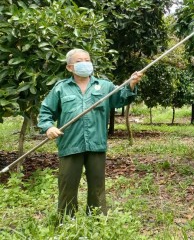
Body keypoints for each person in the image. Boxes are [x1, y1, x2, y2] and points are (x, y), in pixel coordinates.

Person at [37, 48, 143, 217]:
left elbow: (120, 98)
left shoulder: (105, 86)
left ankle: (97, 218)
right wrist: (48, 127)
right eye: (79, 61)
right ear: (70, 67)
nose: (85, 63)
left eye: (87, 60)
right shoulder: (61, 88)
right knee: (67, 184)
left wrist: (131, 84)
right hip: (70, 143)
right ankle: (66, 220)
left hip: (96, 144)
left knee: (97, 185)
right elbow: (45, 112)